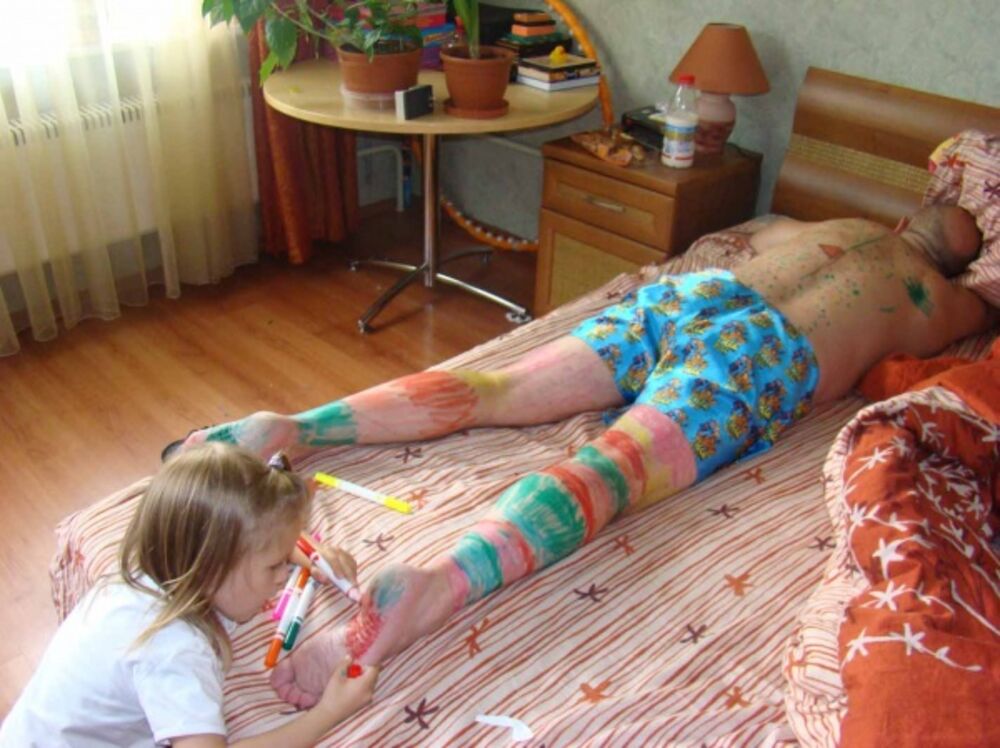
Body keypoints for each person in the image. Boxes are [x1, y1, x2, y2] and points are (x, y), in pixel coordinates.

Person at [178, 205, 994, 710]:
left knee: (491, 388)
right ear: (946, 257)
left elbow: (754, 229)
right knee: (614, 466)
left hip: (691, 297)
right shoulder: (932, 296)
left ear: (905, 218)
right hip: (762, 358)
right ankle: (441, 584)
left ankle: (293, 427)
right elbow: (976, 319)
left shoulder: (821, 227)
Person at [0, 444, 379, 747]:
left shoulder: (152, 565)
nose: (284, 578)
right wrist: (329, 712)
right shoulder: (174, 649)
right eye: (274, 565)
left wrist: (296, 549)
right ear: (213, 563)